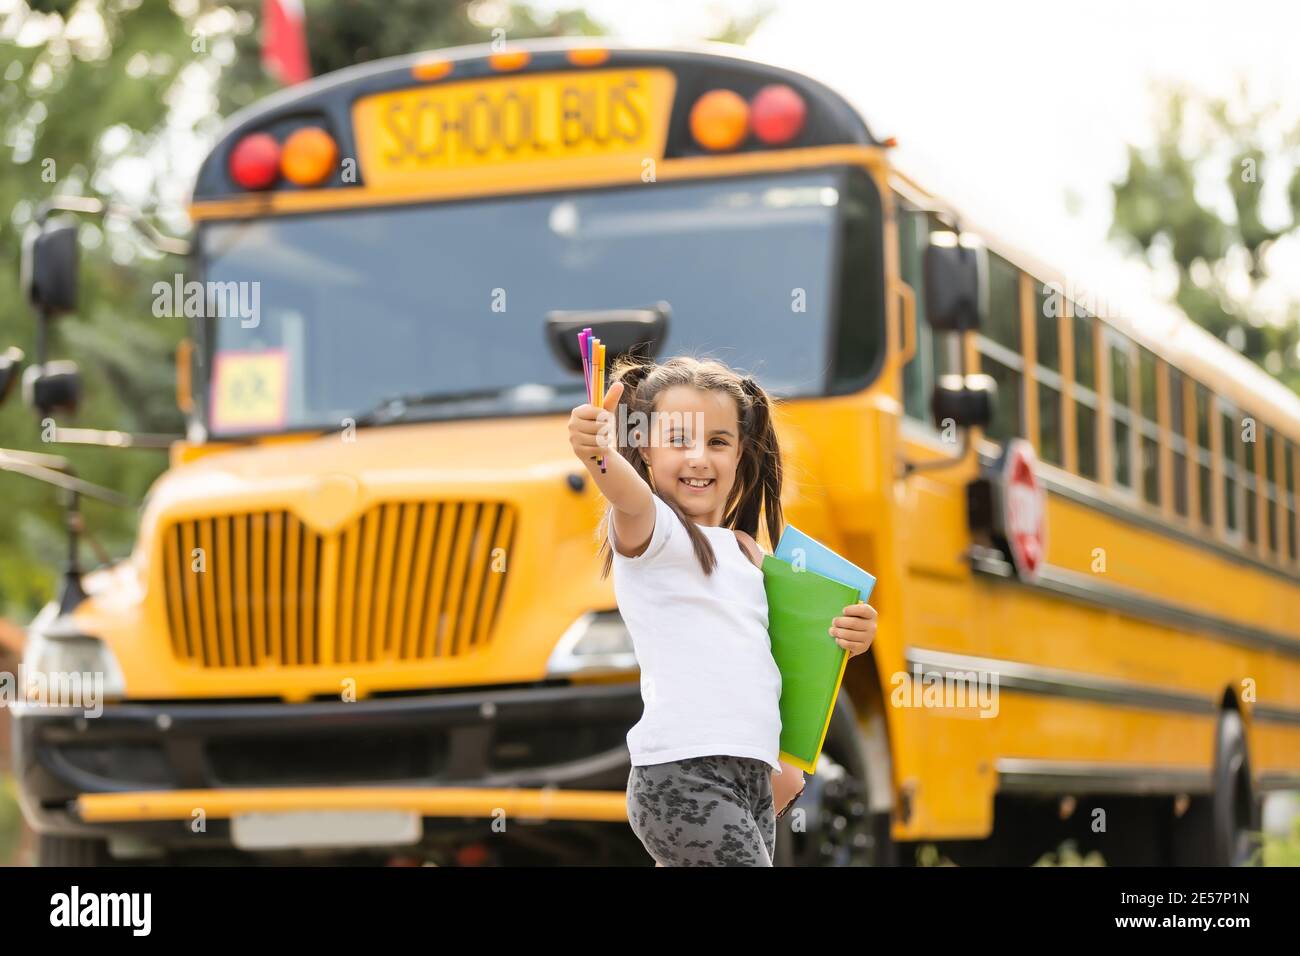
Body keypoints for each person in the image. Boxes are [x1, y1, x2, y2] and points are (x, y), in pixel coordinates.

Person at [566, 354, 877, 866]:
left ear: (740, 453)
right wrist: (596, 454)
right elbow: (626, 495)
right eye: (678, 440)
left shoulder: (749, 553)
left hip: (753, 777)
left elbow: (790, 654)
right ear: (643, 449)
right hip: (682, 775)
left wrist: (852, 633)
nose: (699, 458)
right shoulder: (653, 532)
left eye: (717, 441)